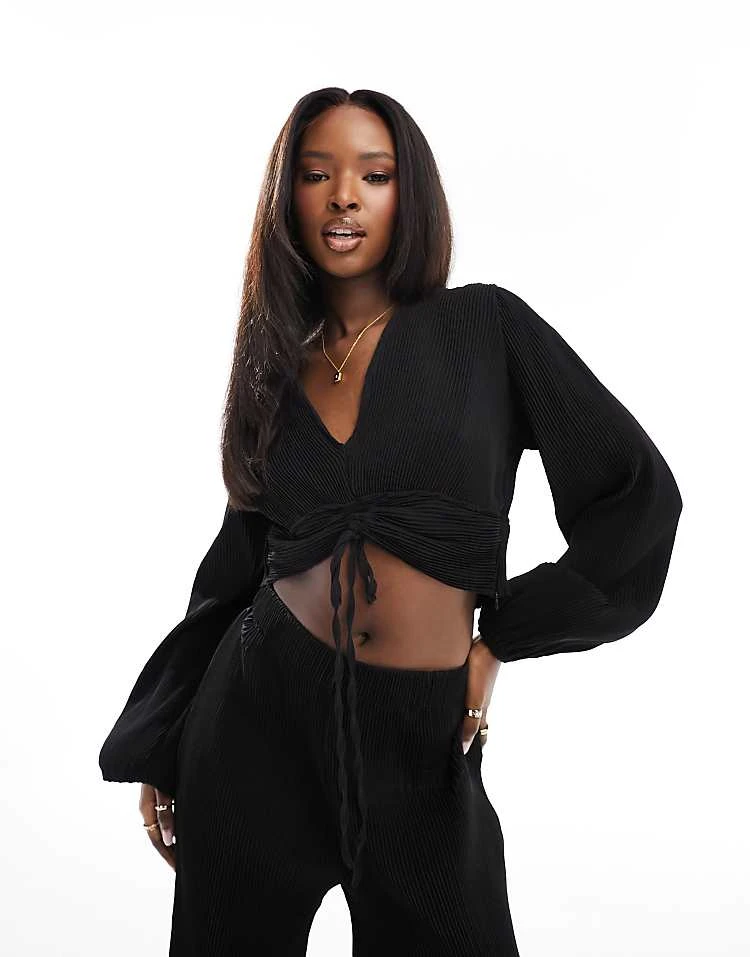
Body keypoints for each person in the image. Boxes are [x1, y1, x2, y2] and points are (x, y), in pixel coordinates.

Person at [99, 87, 683, 957]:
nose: (344, 196)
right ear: (287, 199)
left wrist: (501, 639)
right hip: (255, 723)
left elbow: (637, 494)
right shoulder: (275, 367)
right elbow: (234, 567)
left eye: (374, 175)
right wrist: (163, 740)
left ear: (410, 195)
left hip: (422, 737)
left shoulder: (485, 328)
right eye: (316, 174)